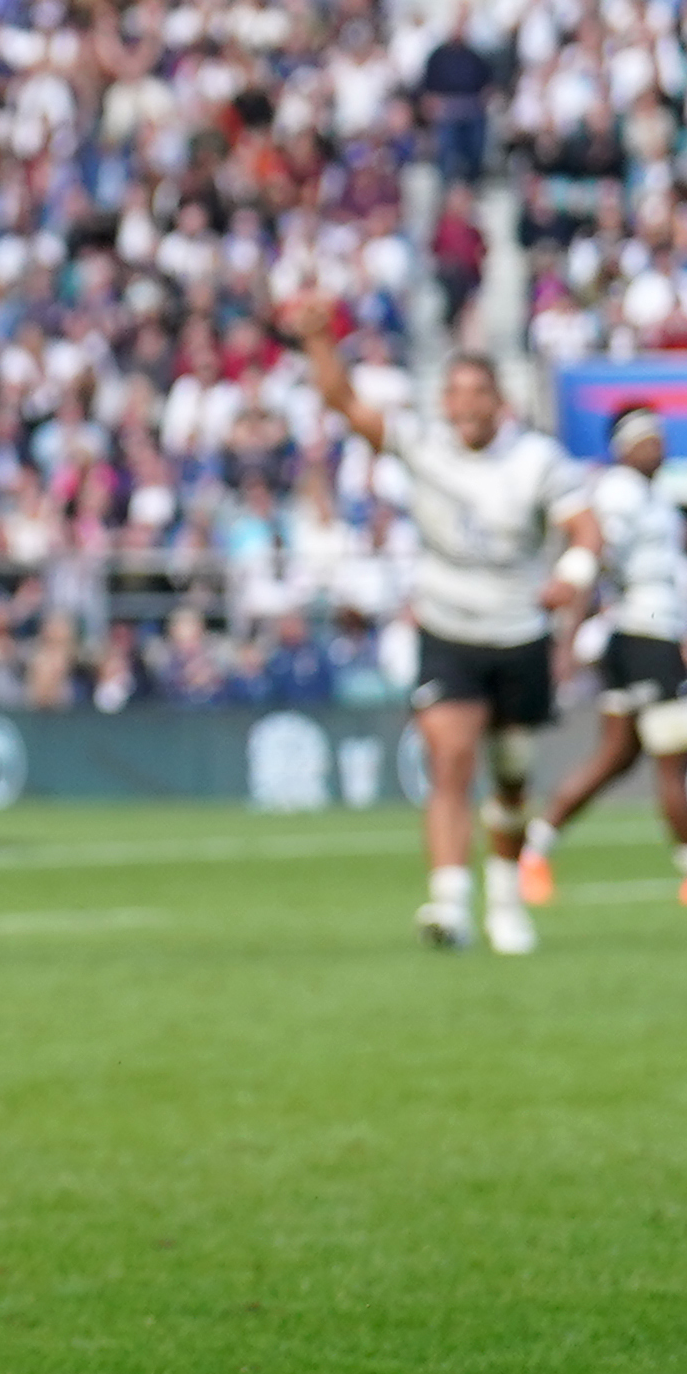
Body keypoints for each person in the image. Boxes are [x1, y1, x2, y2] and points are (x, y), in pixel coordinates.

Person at [292, 307, 579, 953]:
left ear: (501, 402)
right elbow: (343, 401)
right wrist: (317, 337)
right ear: (443, 402)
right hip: (448, 628)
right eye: (456, 393)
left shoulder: (536, 459)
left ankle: (505, 900)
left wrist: (573, 574)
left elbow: (585, 526)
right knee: (449, 761)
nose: (466, 404)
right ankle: (449, 903)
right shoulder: (422, 445)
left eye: (479, 392)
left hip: (519, 631)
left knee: (511, 773)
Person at [519, 406, 687, 909]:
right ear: (626, 447)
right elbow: (593, 561)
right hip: (644, 637)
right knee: (675, 758)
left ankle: (533, 851)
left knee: (615, 757)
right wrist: (566, 644)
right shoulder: (619, 494)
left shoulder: (653, 496)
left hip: (641, 637)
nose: (660, 446)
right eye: (649, 438)